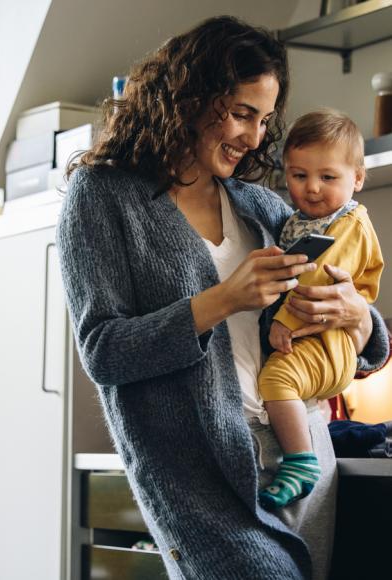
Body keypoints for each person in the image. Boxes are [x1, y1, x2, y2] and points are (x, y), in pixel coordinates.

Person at [56, 16, 389, 580]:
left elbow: (368, 344)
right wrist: (224, 299)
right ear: (186, 98)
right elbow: (103, 350)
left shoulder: (260, 206)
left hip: (302, 448)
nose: (255, 137)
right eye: (239, 113)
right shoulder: (103, 195)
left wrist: (358, 316)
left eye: (263, 120)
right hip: (200, 474)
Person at [258, 110, 384, 510]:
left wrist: (283, 323)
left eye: (327, 178)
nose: (311, 188)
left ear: (357, 179)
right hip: (322, 337)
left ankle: (300, 461)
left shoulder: (348, 224)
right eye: (298, 176)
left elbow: (317, 279)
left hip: (325, 339)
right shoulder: (300, 220)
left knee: (277, 380)